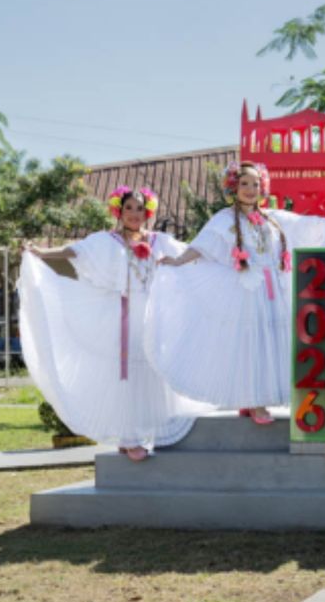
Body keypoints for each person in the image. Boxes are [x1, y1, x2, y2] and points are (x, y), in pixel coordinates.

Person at [21, 186, 201, 461]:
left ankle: (140, 434)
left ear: (148, 212)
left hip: (152, 318)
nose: (134, 213)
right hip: (121, 318)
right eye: (128, 208)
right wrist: (42, 254)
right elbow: (74, 251)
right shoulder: (107, 241)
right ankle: (129, 437)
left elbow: (190, 254)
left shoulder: (159, 241)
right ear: (119, 210)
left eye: (140, 208)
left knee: (150, 373)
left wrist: (221, 255)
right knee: (125, 377)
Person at [149, 161, 325, 425]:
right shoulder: (224, 218)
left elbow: (303, 225)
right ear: (233, 186)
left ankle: (252, 399)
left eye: (256, 184)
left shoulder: (270, 218)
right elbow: (203, 245)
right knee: (250, 345)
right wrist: (177, 262)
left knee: (269, 342)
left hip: (270, 290)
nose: (250, 189)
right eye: (244, 183)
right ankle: (255, 402)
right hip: (246, 291)